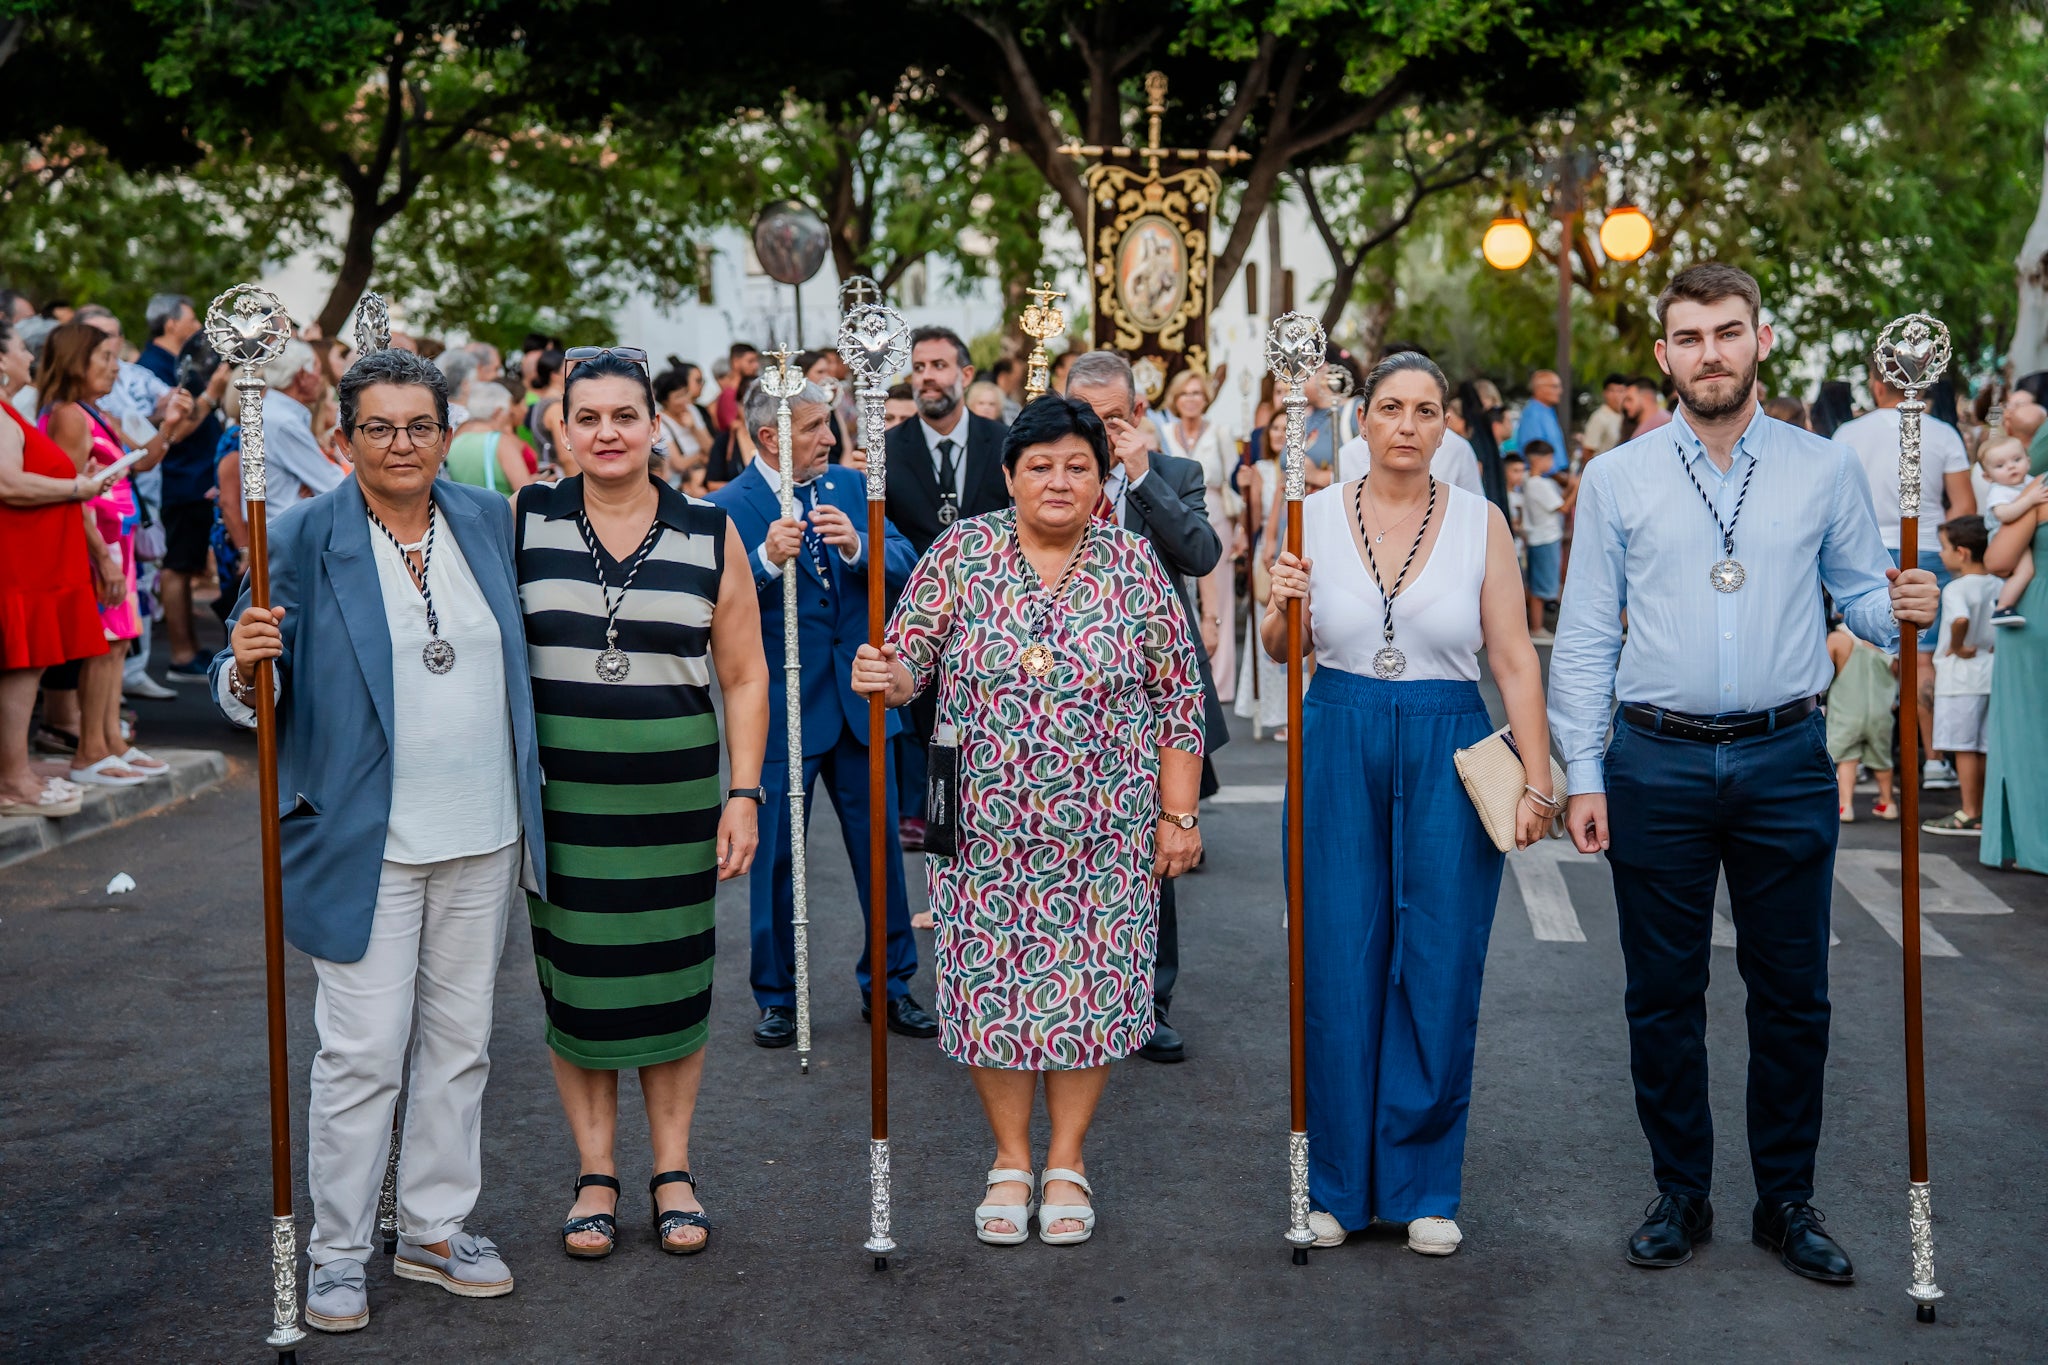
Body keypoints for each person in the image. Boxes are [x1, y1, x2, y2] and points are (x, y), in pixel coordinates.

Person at [1549, 262, 1939, 1285]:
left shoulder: (1822, 468)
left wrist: (1903, 600)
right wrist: (1582, 770)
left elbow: (1859, 595)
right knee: (1660, 995)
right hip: (1653, 760)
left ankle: (1786, 1200)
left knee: (1793, 994)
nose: (1709, 353)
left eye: (1726, 332)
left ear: (1759, 340)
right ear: (1662, 355)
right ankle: (1680, 1192)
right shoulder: (1619, 477)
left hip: (1784, 755)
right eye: (1688, 337)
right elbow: (1584, 634)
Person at [211, 348, 547, 1333]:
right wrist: (244, 665)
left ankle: (435, 1228)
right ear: (342, 437)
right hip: (367, 837)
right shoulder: (300, 533)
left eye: (419, 426)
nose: (402, 445)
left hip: (484, 827)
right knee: (361, 1053)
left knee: (461, 1043)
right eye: (379, 427)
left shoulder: (487, 519)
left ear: (447, 433)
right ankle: (338, 1252)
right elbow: (252, 680)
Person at [849, 394, 1206, 1246]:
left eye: (1078, 466)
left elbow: (1179, 694)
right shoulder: (962, 554)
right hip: (983, 831)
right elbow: (910, 660)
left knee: (1091, 991)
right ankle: (1010, 1157)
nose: (1058, 480)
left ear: (1103, 479)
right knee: (991, 995)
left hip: (1106, 832)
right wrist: (887, 675)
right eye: (1040, 465)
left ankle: (1067, 1158)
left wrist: (1179, 813)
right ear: (1008, 476)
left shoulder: (1131, 563)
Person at [1263, 350, 1554, 1257]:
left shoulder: (1480, 521)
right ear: (1362, 420)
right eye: (1390, 407)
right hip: (1338, 727)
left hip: (1447, 735)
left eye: (1426, 410)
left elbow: (1512, 657)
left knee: (1439, 957)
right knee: (1336, 959)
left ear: (1444, 425)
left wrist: (1538, 778)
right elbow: (1281, 647)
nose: (1407, 425)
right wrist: (1278, 603)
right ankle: (1337, 1186)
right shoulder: (1309, 513)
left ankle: (1423, 1184)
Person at [513, 350, 768, 1260]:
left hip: (674, 805)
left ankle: (672, 1169)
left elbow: (744, 675)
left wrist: (743, 793)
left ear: (657, 427)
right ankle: (594, 1173)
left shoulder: (709, 529)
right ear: (562, 427)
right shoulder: (525, 518)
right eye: (588, 417)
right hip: (564, 810)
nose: (608, 432)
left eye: (626, 415)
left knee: (671, 983)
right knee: (578, 991)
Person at [707, 377, 930, 1047]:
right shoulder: (723, 507)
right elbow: (707, 600)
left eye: (828, 423)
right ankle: (778, 995)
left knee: (880, 852)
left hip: (861, 700)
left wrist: (858, 546)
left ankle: (891, 984)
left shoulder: (852, 489)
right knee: (776, 858)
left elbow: (908, 560)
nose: (830, 438)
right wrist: (763, 561)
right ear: (770, 436)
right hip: (780, 711)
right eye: (814, 427)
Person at [1065, 351, 1224, 1064]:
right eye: (1085, 416)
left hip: (1152, 692)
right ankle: (1071, 984)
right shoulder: (1052, 472)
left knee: (1152, 847)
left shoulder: (1174, 475)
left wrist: (1140, 475)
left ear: (1136, 413)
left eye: (1112, 418)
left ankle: (1148, 1000)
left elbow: (1201, 553)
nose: (1099, 431)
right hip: (1065, 689)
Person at [36, 321, 192, 785]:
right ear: (75, 362)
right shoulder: (69, 415)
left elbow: (144, 457)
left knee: (117, 642)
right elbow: (73, 493)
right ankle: (90, 751)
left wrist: (170, 425)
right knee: (103, 645)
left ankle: (110, 743)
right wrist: (102, 558)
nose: (115, 368)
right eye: (105, 358)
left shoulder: (96, 410)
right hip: (98, 544)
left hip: (115, 540)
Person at [882, 326, 1010, 851]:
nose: (927, 377)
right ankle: (926, 815)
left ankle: (993, 810)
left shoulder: (1003, 441)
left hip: (996, 613)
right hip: (916, 613)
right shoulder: (887, 449)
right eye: (919, 367)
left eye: (938, 365)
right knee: (920, 720)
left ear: (966, 373)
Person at [1834, 356, 1975, 791]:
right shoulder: (1943, 432)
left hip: (1865, 548)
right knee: (1922, 657)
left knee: (1866, 654)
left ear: (1877, 384)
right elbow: (1964, 507)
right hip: (1928, 548)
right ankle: (1932, 760)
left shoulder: (1848, 433)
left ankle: (1860, 758)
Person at [0, 317, 116, 818]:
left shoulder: (8, 410)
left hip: (35, 562)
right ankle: (13, 781)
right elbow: (6, 483)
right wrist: (76, 488)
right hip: (21, 565)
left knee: (27, 667)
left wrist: (75, 480)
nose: (30, 356)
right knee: (21, 668)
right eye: (20, 348)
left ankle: (15, 775)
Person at [132, 295, 230, 683]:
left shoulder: (179, 361)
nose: (197, 326)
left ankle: (189, 646)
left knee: (187, 565)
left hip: (195, 476)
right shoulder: (152, 368)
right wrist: (212, 394)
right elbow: (170, 431)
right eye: (191, 318)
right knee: (177, 565)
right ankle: (181, 653)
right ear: (170, 323)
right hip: (179, 478)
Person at [1157, 367, 1238, 703]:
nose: (1191, 399)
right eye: (1185, 393)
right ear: (1175, 399)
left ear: (1206, 397)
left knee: (1220, 597)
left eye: (1196, 393)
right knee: (1178, 592)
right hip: (1171, 516)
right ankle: (1182, 672)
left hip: (1215, 514)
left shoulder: (1220, 433)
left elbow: (1234, 482)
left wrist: (1241, 529)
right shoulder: (1163, 432)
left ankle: (1220, 682)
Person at [1982, 461, 2048, 870]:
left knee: (2027, 730)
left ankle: (2034, 841)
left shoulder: (2039, 488)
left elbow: (1998, 561)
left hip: (2034, 615)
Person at [1925, 515, 1997, 835]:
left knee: (1964, 745)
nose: (1941, 554)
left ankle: (1969, 811)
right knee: (1983, 745)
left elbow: (1960, 620)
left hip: (1960, 676)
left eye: (1944, 547)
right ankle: (1983, 810)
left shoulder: (1956, 588)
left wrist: (1956, 645)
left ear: (1962, 553)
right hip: (1989, 669)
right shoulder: (1998, 583)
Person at [1235, 409, 1290, 737]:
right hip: (1268, 552)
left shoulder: (1302, 467)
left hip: (1296, 545)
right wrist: (1247, 493)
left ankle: (1296, 711)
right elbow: (1253, 521)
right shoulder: (1261, 469)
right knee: (1270, 624)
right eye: (1276, 428)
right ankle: (1271, 711)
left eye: (1287, 427)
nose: (1281, 433)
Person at [1824, 619, 1897, 822]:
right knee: (1882, 759)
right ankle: (1887, 802)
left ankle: (1845, 805)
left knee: (1847, 758)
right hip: (1880, 712)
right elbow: (1897, 674)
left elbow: (1823, 675)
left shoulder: (1838, 639)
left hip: (1846, 711)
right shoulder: (1889, 645)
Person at [259, 340, 347, 507]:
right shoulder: (283, 421)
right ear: (302, 376)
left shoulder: (271, 411)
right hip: (286, 519)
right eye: (318, 371)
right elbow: (333, 484)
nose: (320, 379)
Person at [1977, 435, 2035, 625]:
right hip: (2005, 538)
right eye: (2000, 465)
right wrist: (2030, 500)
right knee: (2025, 571)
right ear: (1988, 476)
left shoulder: (2030, 482)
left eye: (2017, 460)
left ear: (2028, 461)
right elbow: (2004, 514)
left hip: (2023, 535)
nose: (2011, 467)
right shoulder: (1999, 490)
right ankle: (2002, 607)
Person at [442, 382, 536, 494]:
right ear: (498, 412)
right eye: (507, 412)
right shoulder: (501, 442)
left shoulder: (456, 441)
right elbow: (526, 492)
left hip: (466, 504)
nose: (508, 417)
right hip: (502, 504)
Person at [1519, 441, 1569, 642]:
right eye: (1550, 458)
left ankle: (1534, 624)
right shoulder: (1537, 484)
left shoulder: (1530, 481)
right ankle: (1536, 626)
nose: (1552, 463)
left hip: (1538, 537)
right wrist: (1576, 487)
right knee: (1540, 587)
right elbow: (1563, 508)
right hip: (1545, 538)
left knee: (1536, 584)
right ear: (1538, 460)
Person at [1516, 369, 1567, 461]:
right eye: (1555, 386)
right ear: (1539, 388)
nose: (1560, 391)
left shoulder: (1548, 410)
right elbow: (1535, 454)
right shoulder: (1532, 414)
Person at [712, 342, 760, 434]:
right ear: (736, 362)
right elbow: (734, 426)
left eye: (756, 361)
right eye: (750, 361)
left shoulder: (749, 389)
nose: (756, 366)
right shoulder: (729, 394)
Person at [1582, 373, 1629, 463]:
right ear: (1604, 393)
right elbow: (1588, 451)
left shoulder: (1627, 416)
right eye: (1612, 391)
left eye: (1620, 391)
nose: (1616, 395)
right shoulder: (1599, 417)